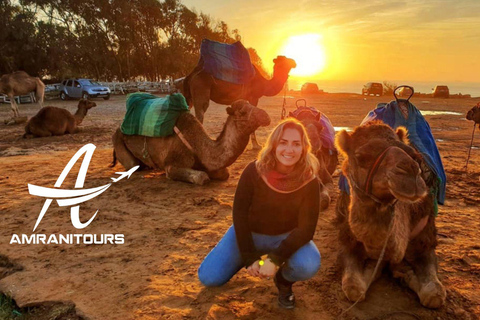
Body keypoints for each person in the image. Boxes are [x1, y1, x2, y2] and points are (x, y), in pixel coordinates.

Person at [198, 118, 322, 309]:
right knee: (209, 277)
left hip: (284, 237)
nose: (289, 150)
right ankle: (241, 259)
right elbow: (239, 214)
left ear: (304, 148)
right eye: (283, 142)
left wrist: (275, 259)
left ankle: (283, 281)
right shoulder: (253, 171)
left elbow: (306, 229)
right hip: (251, 233)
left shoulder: (309, 181)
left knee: (309, 264)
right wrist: (249, 256)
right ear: (274, 144)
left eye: (296, 144)